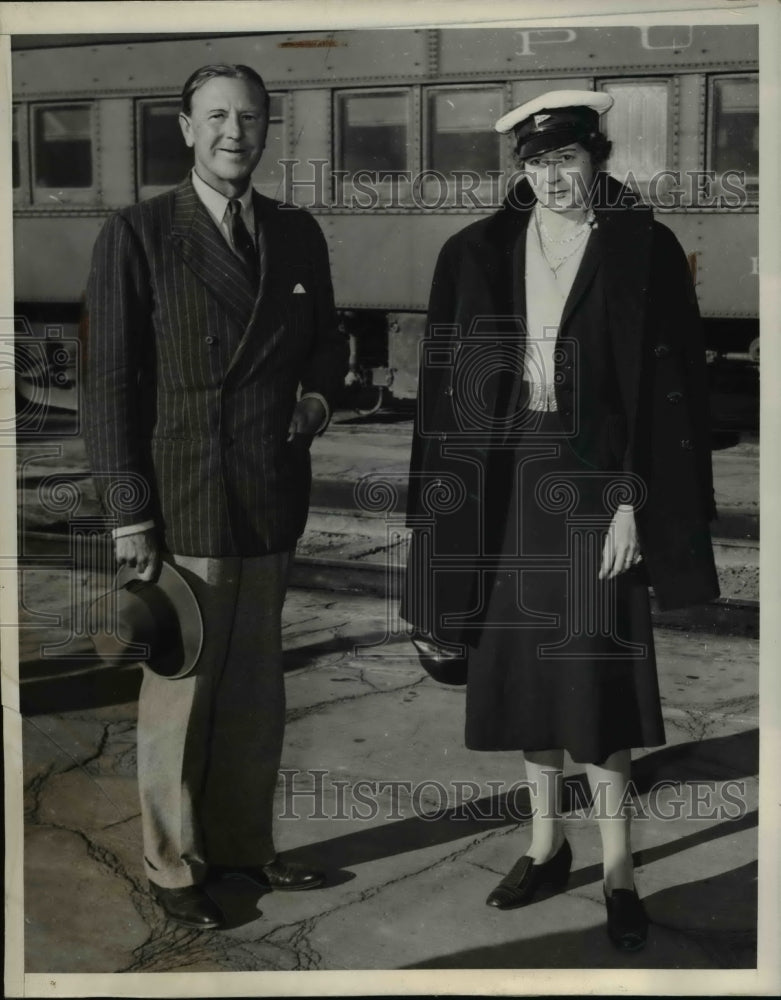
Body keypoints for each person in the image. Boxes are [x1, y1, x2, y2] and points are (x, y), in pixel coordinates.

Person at [402, 90, 718, 952]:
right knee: (524, 679)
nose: (552, 178)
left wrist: (630, 505)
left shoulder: (640, 250)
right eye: (536, 164)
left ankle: (618, 869)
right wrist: (433, 519)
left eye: (566, 160)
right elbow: (440, 400)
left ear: (596, 158)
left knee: (595, 683)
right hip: (506, 489)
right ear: (521, 169)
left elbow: (666, 393)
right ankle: (545, 846)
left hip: (595, 489)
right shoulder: (478, 251)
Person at [84, 63, 347, 930]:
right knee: (180, 699)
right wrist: (128, 511)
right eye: (218, 117)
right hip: (185, 501)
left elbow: (326, 346)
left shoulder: (296, 232)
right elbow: (109, 387)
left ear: (268, 129)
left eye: (251, 117)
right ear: (187, 130)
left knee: (254, 695)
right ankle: (170, 867)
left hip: (268, 497)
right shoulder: (141, 232)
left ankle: (241, 848)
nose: (236, 132)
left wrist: (314, 400)